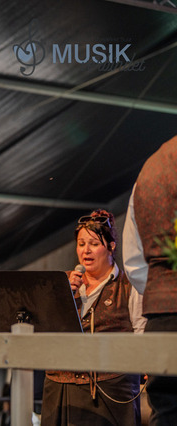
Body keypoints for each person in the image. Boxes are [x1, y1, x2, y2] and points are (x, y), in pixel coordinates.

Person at [41, 209, 146, 426]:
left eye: (94, 243)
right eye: (81, 244)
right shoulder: (62, 283)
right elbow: (43, 329)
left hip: (111, 390)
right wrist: (63, 296)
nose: (86, 250)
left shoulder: (128, 286)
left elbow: (141, 334)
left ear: (111, 247)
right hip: (60, 387)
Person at [123, 135, 177, 425]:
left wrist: (162, 291)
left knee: (167, 413)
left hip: (161, 319)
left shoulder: (151, 168)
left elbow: (134, 262)